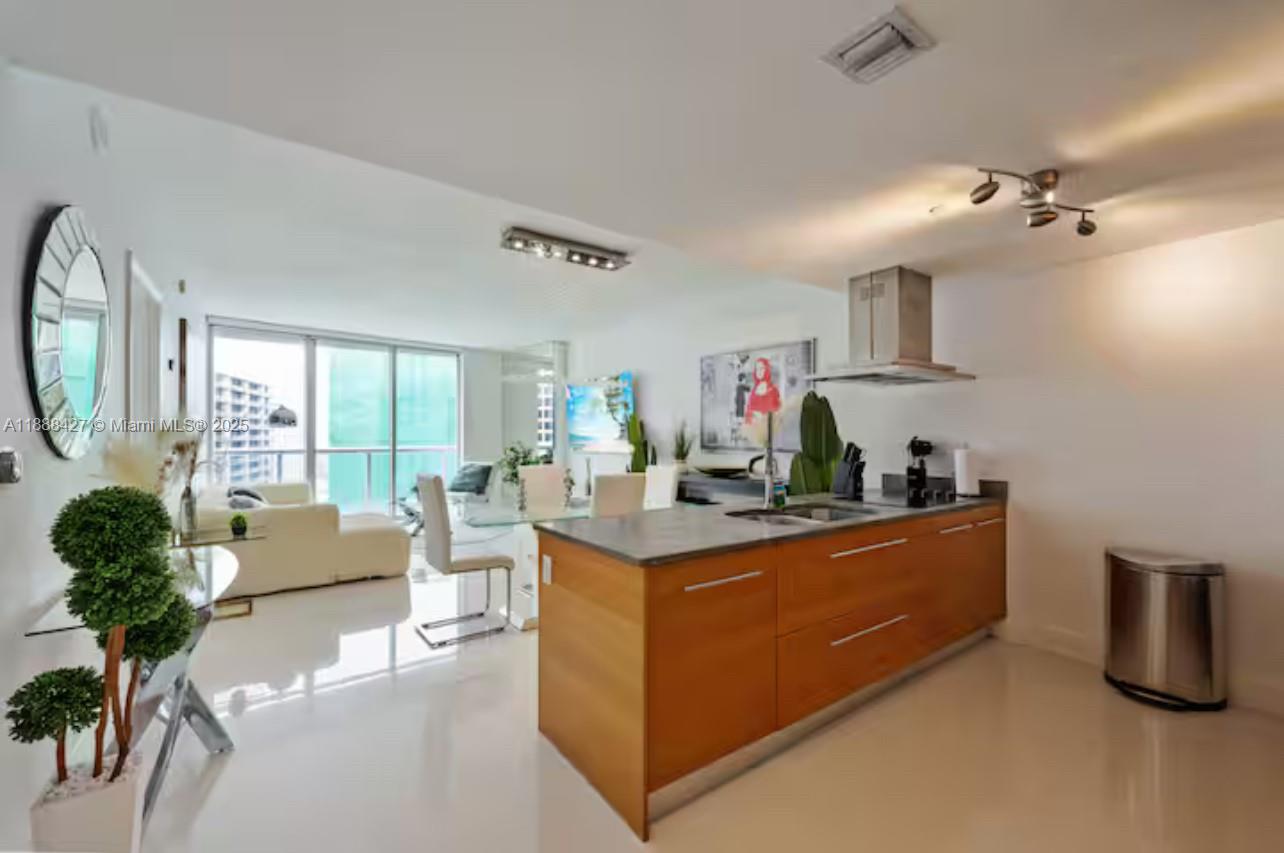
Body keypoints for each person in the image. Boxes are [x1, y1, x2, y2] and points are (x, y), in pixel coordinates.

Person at [743, 357, 781, 424]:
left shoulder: (773, 389)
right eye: (757, 369)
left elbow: (777, 411)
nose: (759, 371)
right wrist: (752, 414)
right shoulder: (753, 390)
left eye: (761, 368)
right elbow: (748, 410)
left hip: (767, 428)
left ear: (767, 369)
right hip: (753, 428)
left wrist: (762, 416)